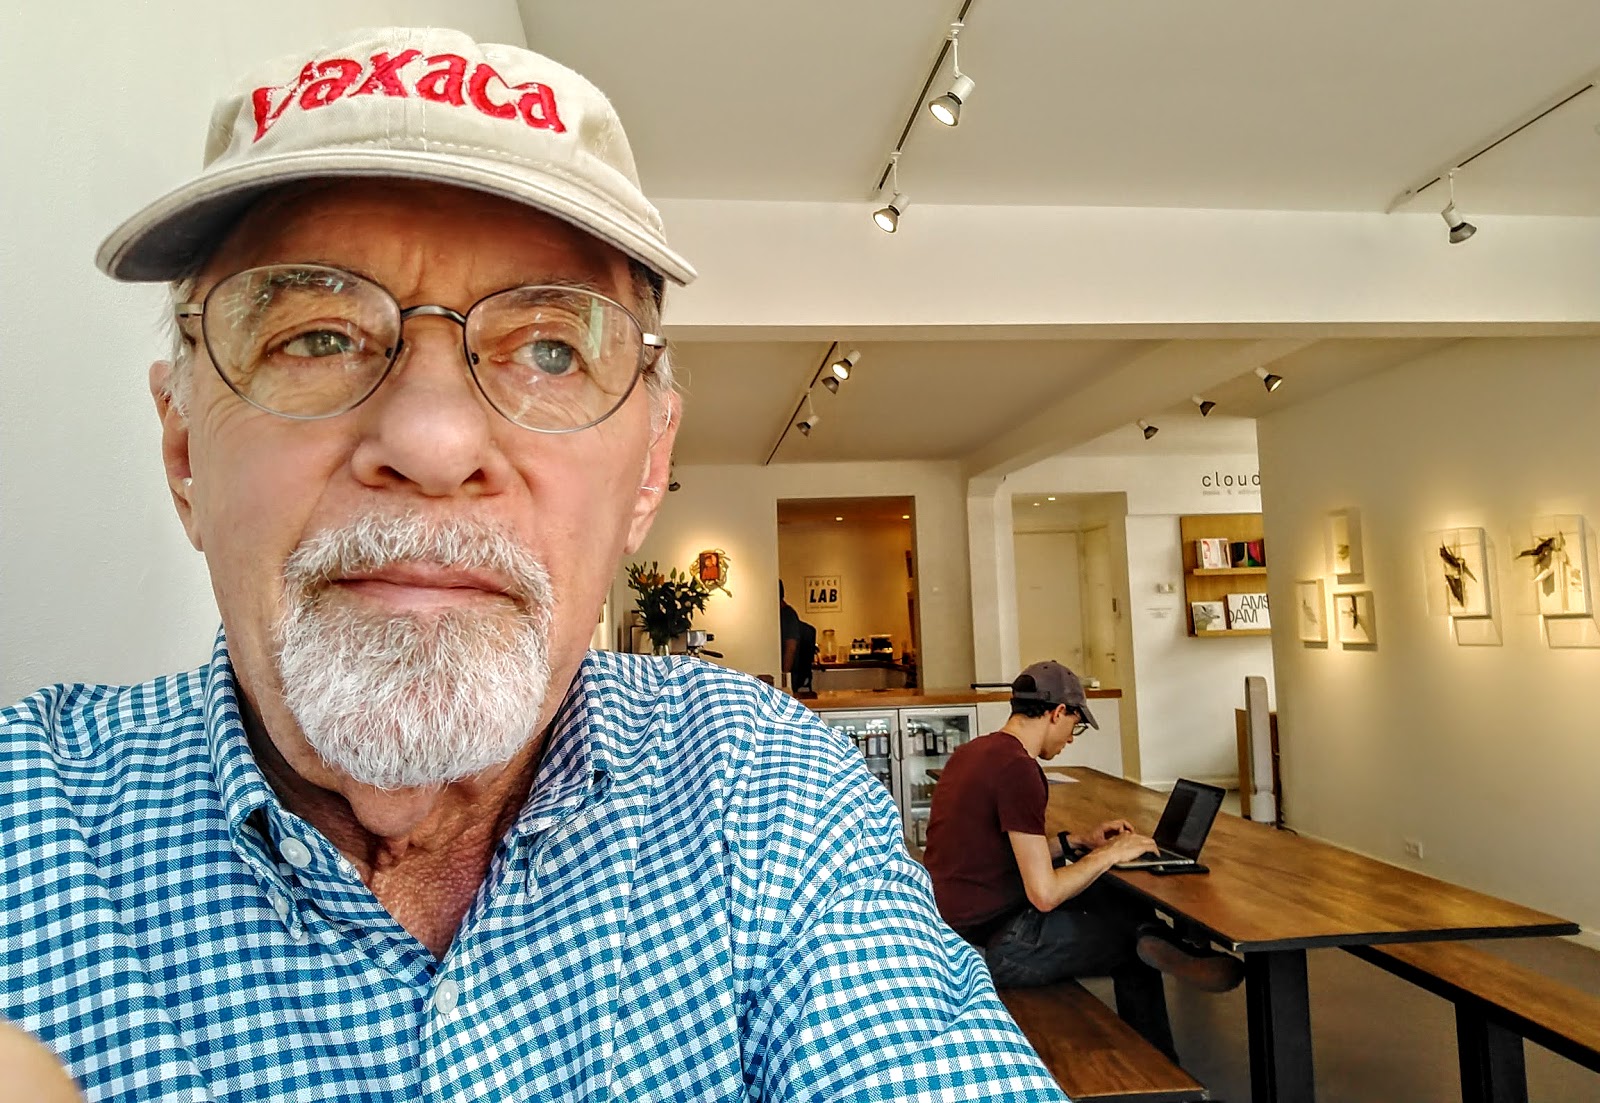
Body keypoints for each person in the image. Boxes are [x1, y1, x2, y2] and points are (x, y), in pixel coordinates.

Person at [0, 28, 1066, 1101]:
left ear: (648, 472)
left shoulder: (765, 790)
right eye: (317, 336)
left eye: (551, 349)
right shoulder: (28, 824)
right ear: (184, 449)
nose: (432, 440)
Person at [922, 660, 1243, 1059]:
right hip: (992, 946)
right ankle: (1162, 1061)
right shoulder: (1019, 771)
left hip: (956, 928)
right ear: (1058, 712)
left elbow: (1000, 854)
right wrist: (1109, 853)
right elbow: (1044, 894)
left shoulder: (974, 752)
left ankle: (1162, 941)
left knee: (1105, 889)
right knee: (1129, 948)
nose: (1071, 739)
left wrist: (1077, 842)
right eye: (1075, 725)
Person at [777, 580, 816, 695]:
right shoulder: (784, 615)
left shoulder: (787, 615)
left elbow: (791, 648)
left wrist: (783, 680)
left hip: (787, 680)